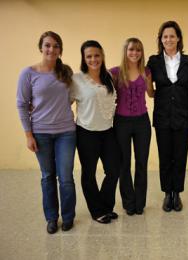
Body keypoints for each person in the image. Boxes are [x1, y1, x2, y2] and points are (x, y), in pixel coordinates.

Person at [17, 31, 76, 234]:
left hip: (66, 132)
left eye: (56, 46)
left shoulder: (66, 71)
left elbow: (70, 98)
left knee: (66, 177)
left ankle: (68, 217)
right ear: (41, 47)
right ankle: (52, 218)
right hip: (41, 133)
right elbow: (22, 105)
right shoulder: (28, 73)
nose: (51, 49)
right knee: (48, 176)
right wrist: (28, 135)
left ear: (60, 50)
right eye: (48, 45)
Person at [147, 21, 188, 212]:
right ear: (161, 39)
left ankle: (178, 193)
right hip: (163, 116)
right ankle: (168, 193)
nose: (168, 39)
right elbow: (149, 89)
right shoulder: (153, 61)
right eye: (165, 36)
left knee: (180, 156)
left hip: (184, 116)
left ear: (178, 38)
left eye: (172, 36)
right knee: (165, 156)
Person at [71, 40, 119, 224]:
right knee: (89, 174)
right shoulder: (77, 79)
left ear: (102, 56)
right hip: (86, 133)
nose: (93, 59)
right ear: (84, 58)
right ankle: (97, 210)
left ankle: (106, 206)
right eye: (89, 56)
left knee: (114, 170)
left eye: (97, 55)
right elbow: (65, 102)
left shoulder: (108, 77)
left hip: (108, 132)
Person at [110, 38, 154, 215]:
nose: (134, 53)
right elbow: (102, 90)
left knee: (141, 163)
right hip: (121, 122)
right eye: (131, 50)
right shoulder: (115, 72)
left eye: (138, 50)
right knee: (124, 163)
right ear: (125, 51)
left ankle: (140, 203)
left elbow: (151, 93)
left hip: (142, 122)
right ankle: (128, 203)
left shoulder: (146, 72)